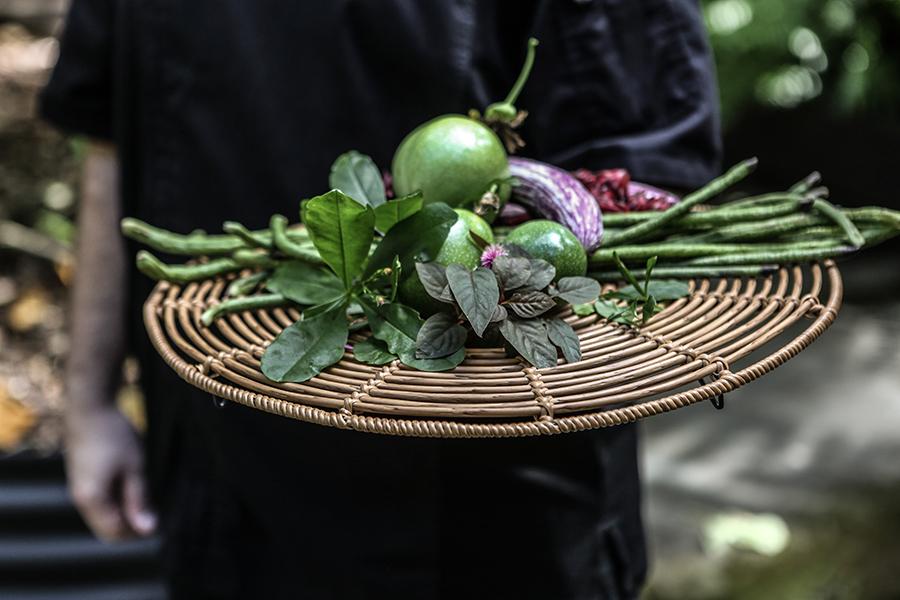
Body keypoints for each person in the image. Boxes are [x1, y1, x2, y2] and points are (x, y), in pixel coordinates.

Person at [42, 1, 721, 598]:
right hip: (219, 481)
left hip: (483, 511)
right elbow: (109, 138)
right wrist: (90, 400)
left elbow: (640, 178)